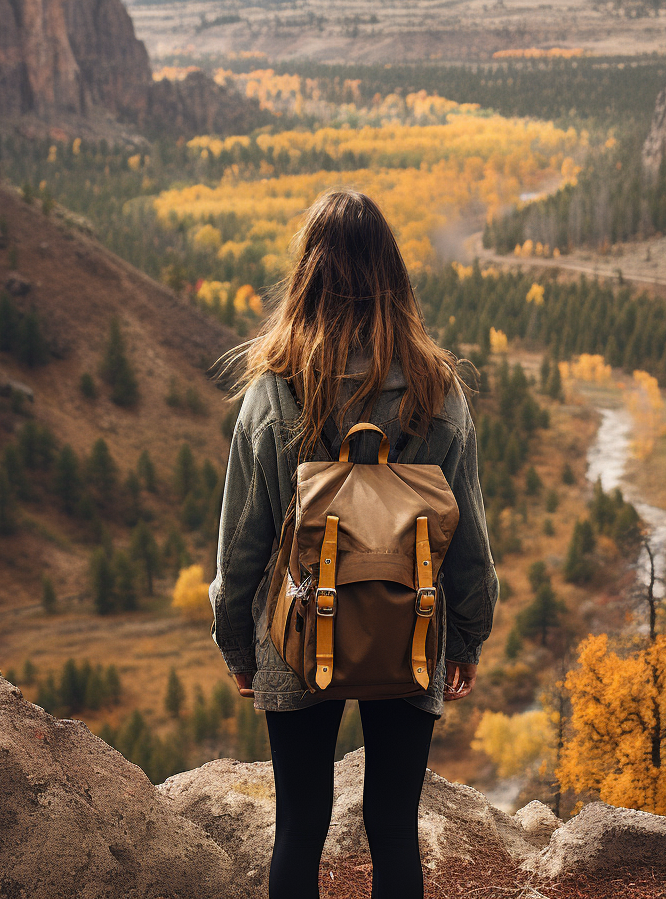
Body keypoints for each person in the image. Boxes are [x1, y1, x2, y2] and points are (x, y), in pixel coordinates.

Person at [209, 188, 498, 899]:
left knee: (300, 826)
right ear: (392, 276)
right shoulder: (437, 390)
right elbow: (469, 542)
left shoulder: (273, 391)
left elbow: (241, 546)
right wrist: (465, 639)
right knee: (395, 827)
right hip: (413, 627)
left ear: (306, 273)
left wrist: (239, 648)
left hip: (296, 631)